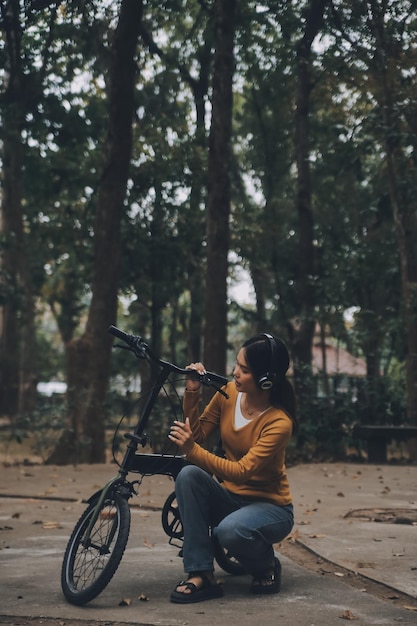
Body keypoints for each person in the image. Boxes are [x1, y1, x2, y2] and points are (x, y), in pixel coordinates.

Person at [168, 333, 297, 604]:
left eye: (245, 370)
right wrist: (192, 392)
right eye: (237, 364)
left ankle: (266, 566)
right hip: (230, 499)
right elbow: (199, 434)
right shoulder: (228, 393)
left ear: (266, 380)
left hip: (270, 508)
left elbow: (241, 471)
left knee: (230, 530)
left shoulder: (278, 422)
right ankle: (201, 573)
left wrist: (191, 450)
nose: (235, 372)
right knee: (189, 474)